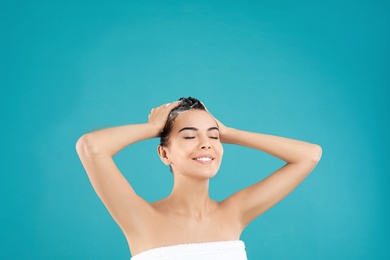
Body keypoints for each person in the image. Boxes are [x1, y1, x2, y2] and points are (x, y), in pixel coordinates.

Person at [76, 97, 322, 259]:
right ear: (164, 153)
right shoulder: (141, 218)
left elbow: (310, 155)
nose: (206, 145)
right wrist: (152, 128)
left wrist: (229, 132)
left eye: (213, 137)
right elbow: (91, 147)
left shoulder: (234, 213)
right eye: (189, 136)